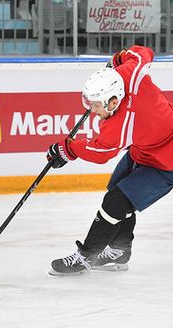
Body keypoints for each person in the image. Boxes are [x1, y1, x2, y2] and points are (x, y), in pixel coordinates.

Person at [46, 45, 173, 275]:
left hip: (166, 162)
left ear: (113, 102)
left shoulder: (120, 126)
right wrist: (119, 59)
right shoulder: (130, 75)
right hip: (146, 147)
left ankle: (86, 257)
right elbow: (141, 52)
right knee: (117, 191)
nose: (92, 110)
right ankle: (119, 250)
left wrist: (66, 150)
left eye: (96, 105)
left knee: (115, 202)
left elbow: (99, 153)